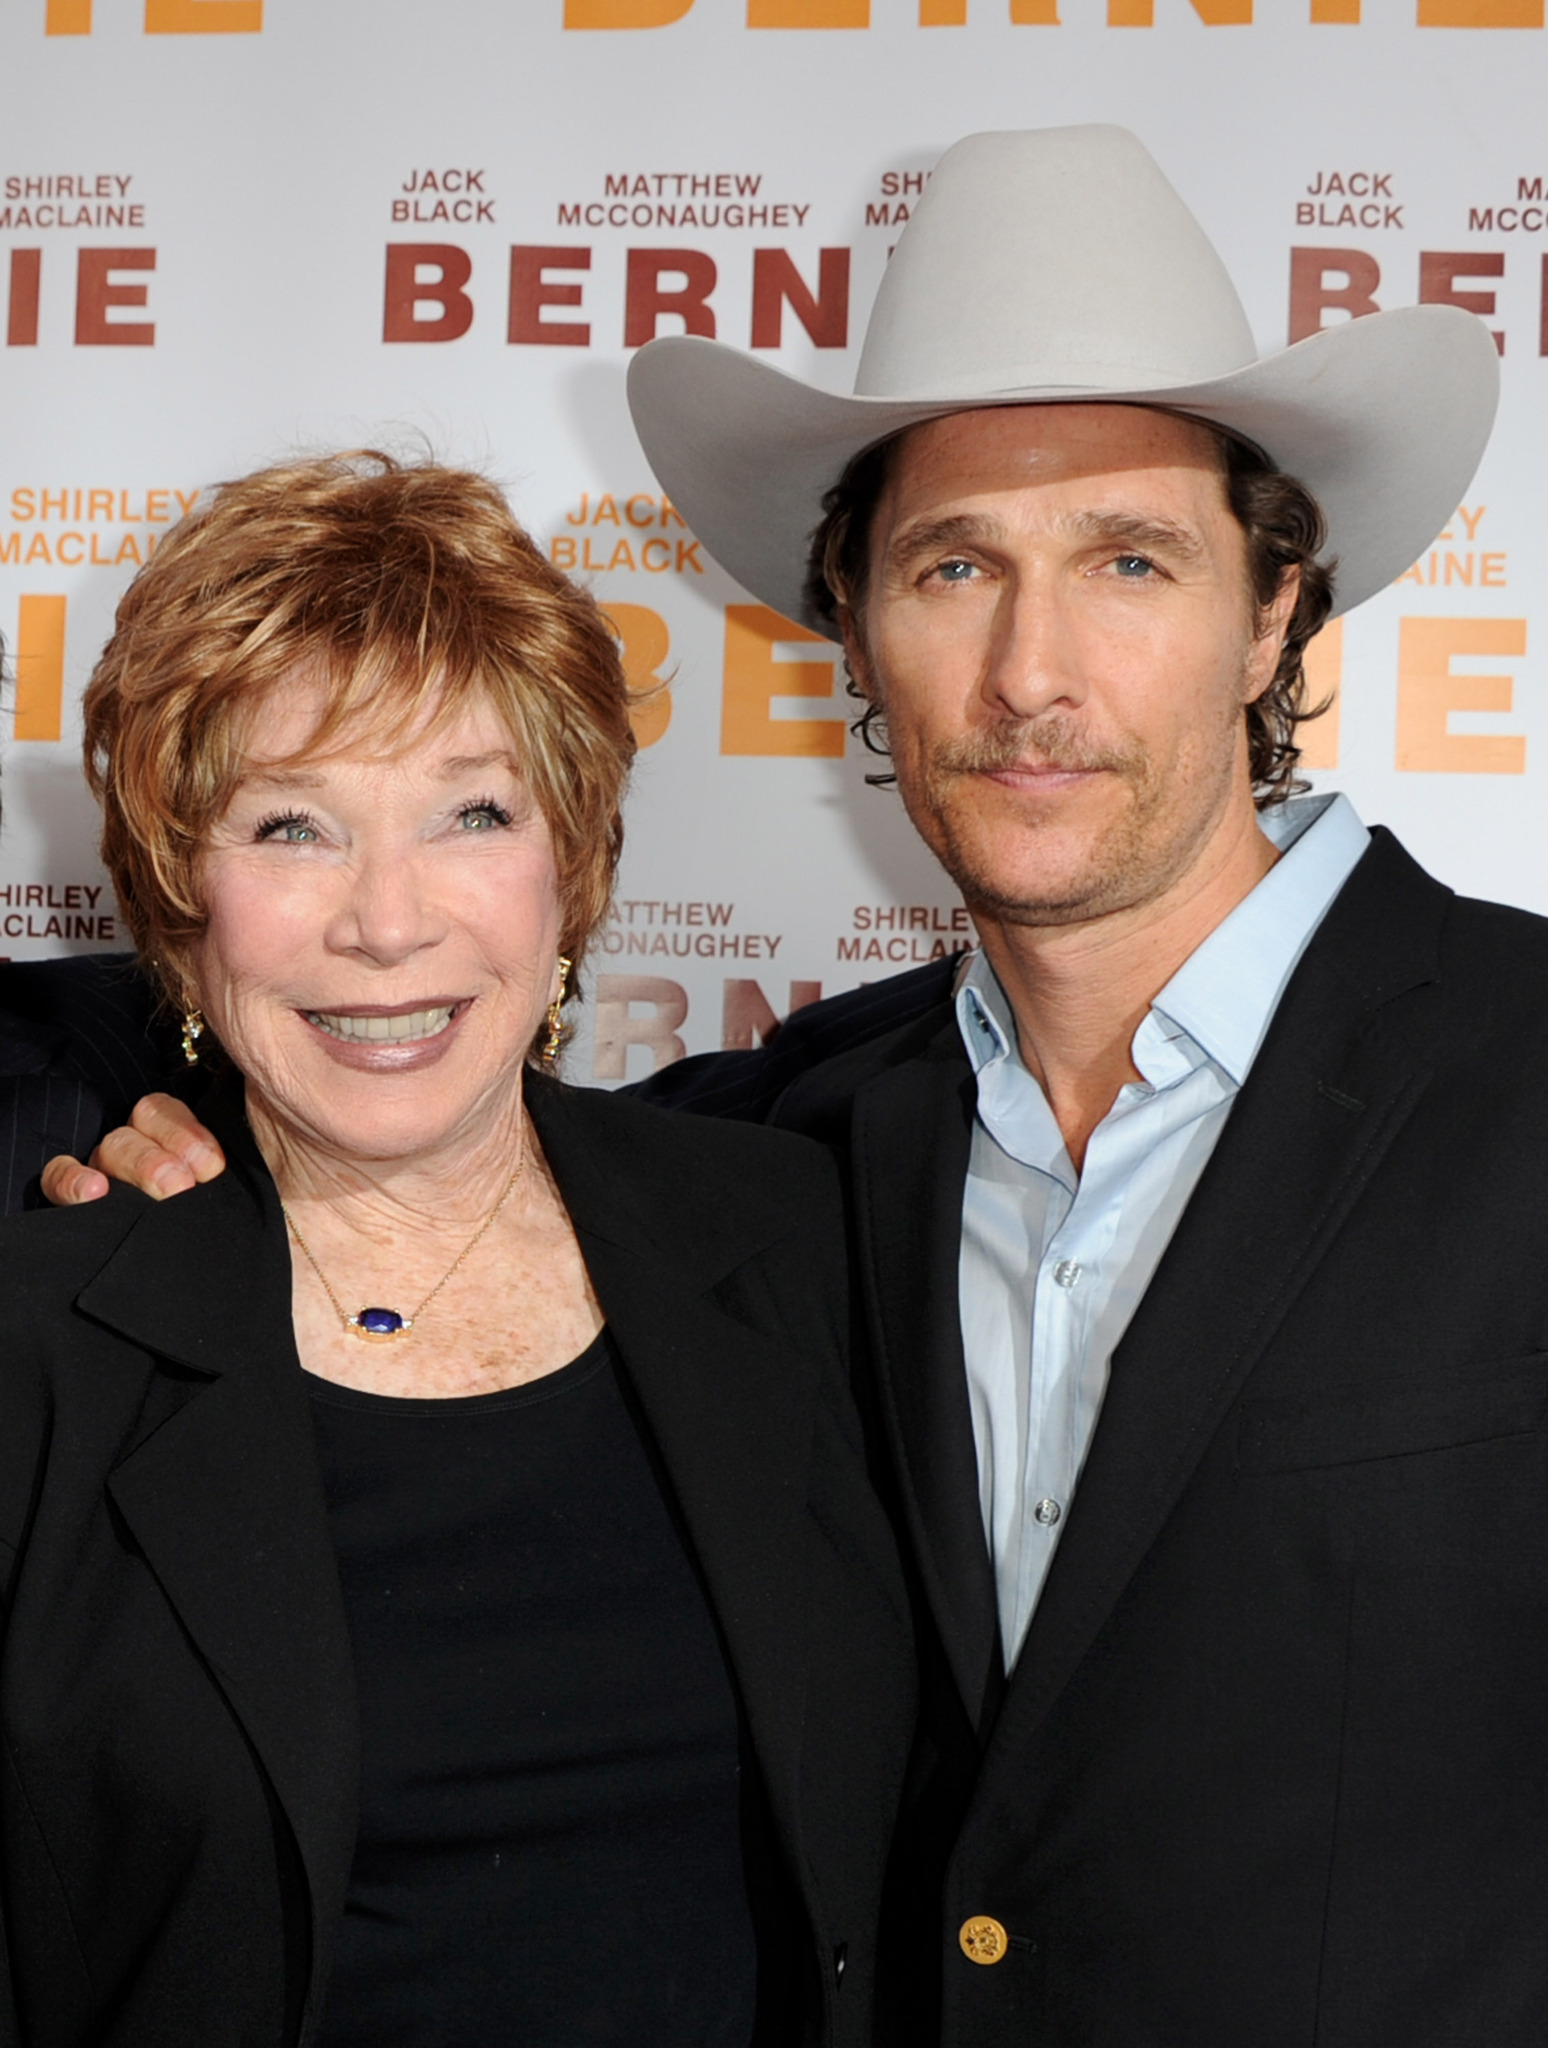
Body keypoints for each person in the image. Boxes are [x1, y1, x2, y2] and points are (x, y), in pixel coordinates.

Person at [26, 124, 1548, 2045]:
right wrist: (133, 1145)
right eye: (952, 566)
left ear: (1273, 612)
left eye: (1131, 558)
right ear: (853, 627)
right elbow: (377, 1045)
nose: (1028, 671)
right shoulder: (817, 1146)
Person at [0, 452, 915, 2048]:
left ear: (570, 865)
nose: (387, 920)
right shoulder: (50, 1344)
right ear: (177, 897)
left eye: (471, 812)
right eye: (291, 826)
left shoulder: (800, 1243)